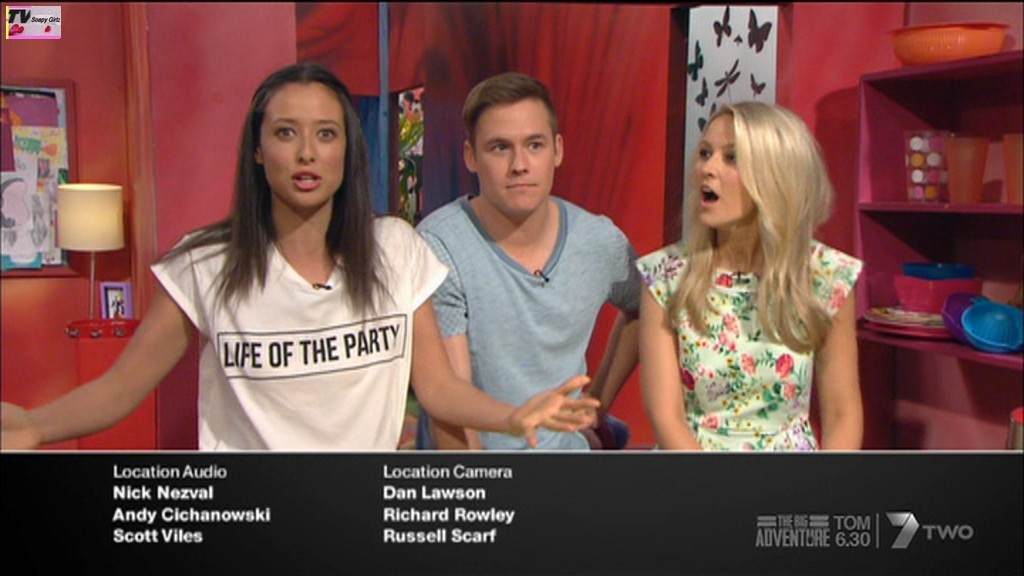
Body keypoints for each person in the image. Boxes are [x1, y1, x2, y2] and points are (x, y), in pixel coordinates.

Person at [0, 62, 598, 452]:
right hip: (252, 522)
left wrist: (513, 415)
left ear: (347, 150)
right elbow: (120, 388)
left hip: (361, 523)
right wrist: (33, 426)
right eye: (286, 133)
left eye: (326, 134)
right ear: (259, 150)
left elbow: (438, 390)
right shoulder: (205, 265)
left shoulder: (396, 249)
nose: (307, 152)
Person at [414, 72, 641, 451]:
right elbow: (450, 402)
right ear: (471, 156)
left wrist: (596, 407)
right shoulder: (440, 245)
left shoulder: (599, 240)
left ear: (557, 150)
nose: (520, 164)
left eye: (534, 145)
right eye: (500, 148)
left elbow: (648, 307)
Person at [636, 102, 863, 451]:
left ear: (775, 176)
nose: (707, 169)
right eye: (705, 153)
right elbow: (666, 417)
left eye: (732, 158)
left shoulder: (827, 276)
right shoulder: (665, 277)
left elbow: (842, 414)